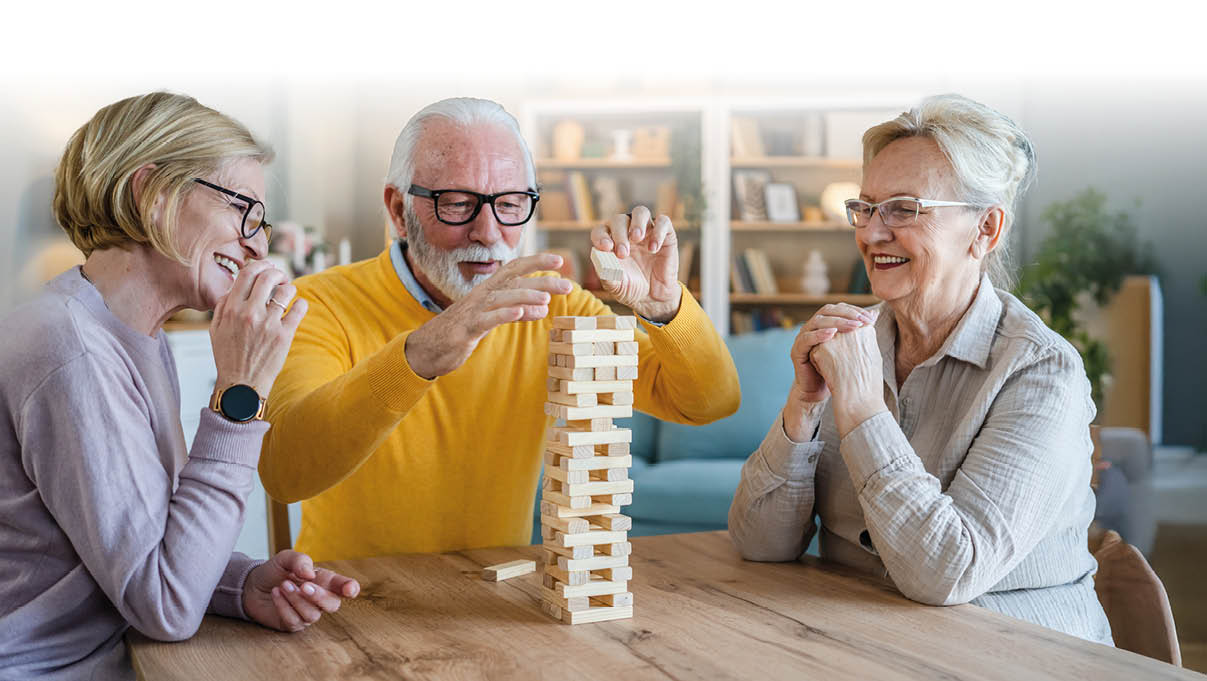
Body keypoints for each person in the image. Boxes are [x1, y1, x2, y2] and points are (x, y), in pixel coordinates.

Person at [259, 97, 740, 561]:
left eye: (510, 204)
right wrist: (417, 359)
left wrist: (663, 305)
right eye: (456, 204)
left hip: (494, 594)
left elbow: (709, 402)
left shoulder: (552, 304)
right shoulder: (316, 304)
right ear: (398, 209)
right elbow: (285, 473)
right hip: (346, 596)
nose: (488, 233)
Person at [0, 92, 360, 681]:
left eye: (262, 223)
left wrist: (240, 583)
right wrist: (240, 394)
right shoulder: (72, 350)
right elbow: (165, 606)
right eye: (242, 209)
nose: (258, 245)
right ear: (152, 195)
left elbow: (143, 552)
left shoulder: (131, 335)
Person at [728, 94, 1112, 644]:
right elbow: (759, 544)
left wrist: (862, 408)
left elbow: (948, 571)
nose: (871, 233)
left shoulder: (1042, 372)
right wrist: (804, 407)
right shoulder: (853, 342)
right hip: (862, 643)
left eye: (904, 209)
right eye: (865, 208)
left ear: (985, 229)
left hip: (1014, 651)